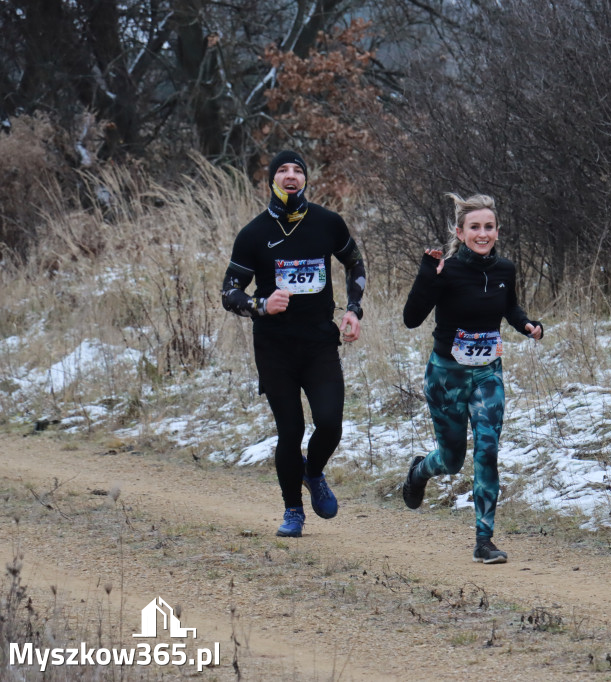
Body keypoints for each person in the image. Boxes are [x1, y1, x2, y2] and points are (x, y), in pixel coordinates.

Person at [221, 150, 366, 538]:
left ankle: (312, 472)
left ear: (305, 179)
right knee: (291, 430)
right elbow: (229, 291)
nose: (290, 175)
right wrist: (260, 305)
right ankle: (293, 511)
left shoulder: (327, 223)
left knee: (331, 423)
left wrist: (353, 310)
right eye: (282, 170)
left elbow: (355, 264)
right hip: (275, 347)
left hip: (319, 341)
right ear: (271, 180)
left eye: (297, 170)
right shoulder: (253, 234)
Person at [401, 193, 542, 564]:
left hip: (487, 374)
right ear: (460, 233)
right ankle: (419, 471)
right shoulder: (445, 270)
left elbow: (508, 306)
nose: (483, 234)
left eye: (489, 227)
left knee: (487, 449)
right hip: (446, 376)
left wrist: (526, 324)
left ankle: (484, 540)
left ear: (497, 231)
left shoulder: (504, 270)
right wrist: (425, 275)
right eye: (475, 227)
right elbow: (412, 318)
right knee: (451, 460)